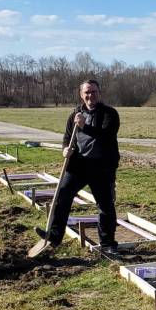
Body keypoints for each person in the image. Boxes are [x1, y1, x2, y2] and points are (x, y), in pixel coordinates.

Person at [34, 79, 120, 252]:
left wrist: (84, 126)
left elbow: (106, 136)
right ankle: (54, 236)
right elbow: (67, 137)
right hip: (78, 165)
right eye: (87, 92)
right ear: (81, 94)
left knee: (105, 206)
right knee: (62, 196)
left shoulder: (109, 113)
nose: (90, 95)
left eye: (94, 92)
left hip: (102, 167)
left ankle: (108, 244)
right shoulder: (75, 114)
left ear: (99, 93)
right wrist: (65, 149)